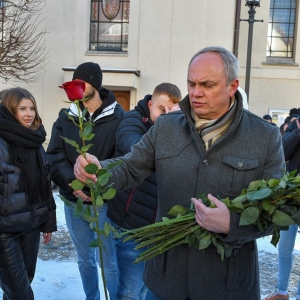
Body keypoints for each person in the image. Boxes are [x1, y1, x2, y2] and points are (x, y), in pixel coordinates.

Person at [74, 46, 285, 300]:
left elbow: (277, 211)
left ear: (232, 86)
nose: (195, 93)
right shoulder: (166, 128)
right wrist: (98, 169)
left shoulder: (264, 136)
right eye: (191, 83)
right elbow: (130, 166)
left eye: (207, 85)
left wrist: (233, 223)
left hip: (227, 286)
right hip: (165, 282)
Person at [46, 62, 125, 300]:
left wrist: (97, 189)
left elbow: (123, 159)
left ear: (96, 84)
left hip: (104, 205)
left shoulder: (119, 117)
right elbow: (54, 156)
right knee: (85, 260)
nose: (76, 87)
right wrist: (74, 183)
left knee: (108, 261)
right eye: (74, 83)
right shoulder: (65, 118)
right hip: (73, 203)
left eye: (82, 82)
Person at [108, 82, 182, 299]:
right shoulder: (133, 121)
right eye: (162, 109)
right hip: (131, 224)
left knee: (148, 290)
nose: (166, 116)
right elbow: (137, 151)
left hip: (158, 228)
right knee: (130, 291)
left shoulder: (177, 129)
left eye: (172, 111)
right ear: (150, 104)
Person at [0, 87, 57, 300]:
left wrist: (48, 221)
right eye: (22, 108)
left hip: (31, 227)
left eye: (32, 108)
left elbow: (44, 183)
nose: (29, 114)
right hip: (4, 231)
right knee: (21, 294)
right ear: (8, 110)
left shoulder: (35, 140)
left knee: (22, 284)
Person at [263, 119, 300, 300]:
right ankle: (282, 291)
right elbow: (282, 151)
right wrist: (298, 132)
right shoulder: (295, 126)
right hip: (291, 196)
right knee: (285, 246)